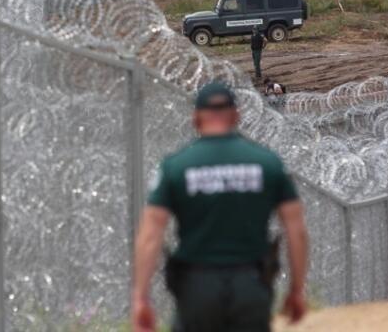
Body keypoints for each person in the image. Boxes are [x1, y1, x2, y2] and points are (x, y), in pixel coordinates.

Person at [131, 82, 308, 332]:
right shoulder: (267, 163)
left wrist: (141, 297)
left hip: (196, 286)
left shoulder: (176, 166)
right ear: (236, 116)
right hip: (251, 284)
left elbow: (150, 235)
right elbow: (295, 230)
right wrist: (297, 289)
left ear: (196, 118)